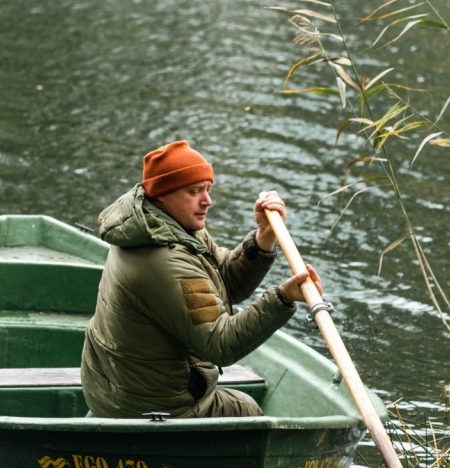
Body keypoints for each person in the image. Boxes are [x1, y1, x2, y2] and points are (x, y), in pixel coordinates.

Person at [80, 139, 323, 419]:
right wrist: (282, 298)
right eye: (194, 191)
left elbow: (224, 282)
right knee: (246, 412)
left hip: (118, 390)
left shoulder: (166, 226)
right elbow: (222, 345)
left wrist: (263, 238)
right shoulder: (164, 261)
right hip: (152, 405)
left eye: (208, 189)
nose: (207, 201)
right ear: (162, 195)